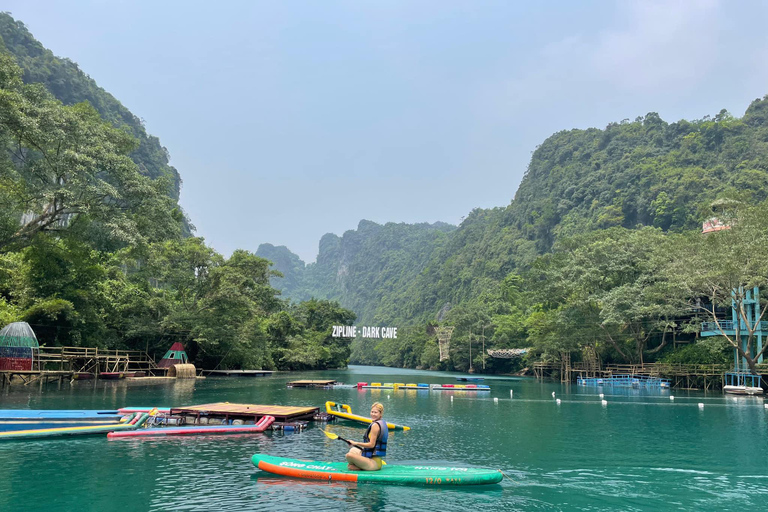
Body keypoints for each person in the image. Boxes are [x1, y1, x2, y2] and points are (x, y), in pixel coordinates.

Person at [345, 402, 388, 471]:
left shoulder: (375, 425)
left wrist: (355, 443)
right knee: (353, 450)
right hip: (374, 458)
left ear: (380, 414)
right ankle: (359, 465)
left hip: (374, 463)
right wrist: (354, 445)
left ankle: (360, 467)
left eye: (376, 412)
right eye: (372, 412)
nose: (373, 414)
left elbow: (371, 445)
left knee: (348, 456)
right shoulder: (381, 422)